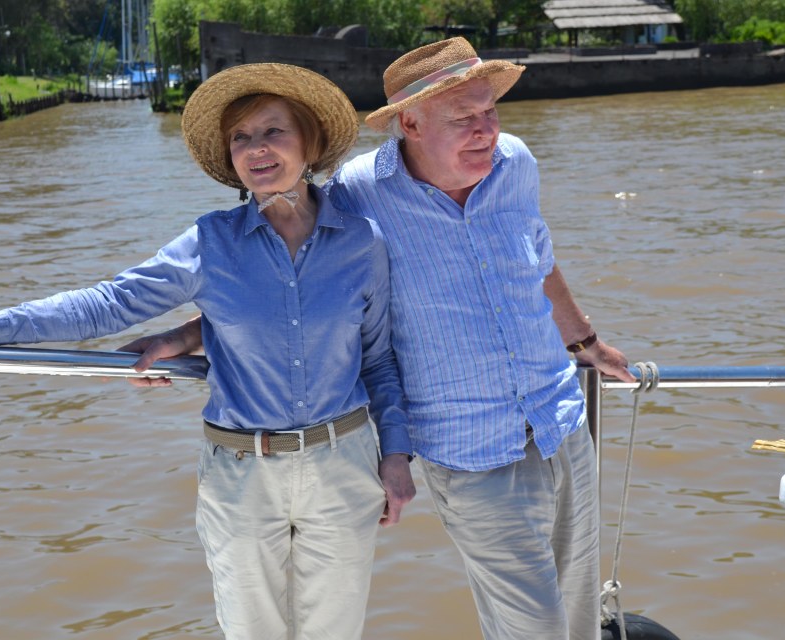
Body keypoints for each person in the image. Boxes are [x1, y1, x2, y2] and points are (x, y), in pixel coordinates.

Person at [128, 39, 637, 640]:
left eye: (490, 112)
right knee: (536, 628)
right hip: (469, 447)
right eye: (464, 118)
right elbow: (299, 280)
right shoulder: (356, 194)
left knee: (577, 614)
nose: (486, 131)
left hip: (561, 420)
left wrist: (586, 345)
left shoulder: (517, 163)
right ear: (410, 123)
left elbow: (540, 260)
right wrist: (197, 330)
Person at [0, 63, 415, 640]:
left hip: (344, 464)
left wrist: (397, 455)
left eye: (273, 131)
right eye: (240, 138)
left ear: (310, 142)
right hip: (241, 473)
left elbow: (379, 360)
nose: (256, 149)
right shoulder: (209, 243)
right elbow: (108, 303)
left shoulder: (362, 242)